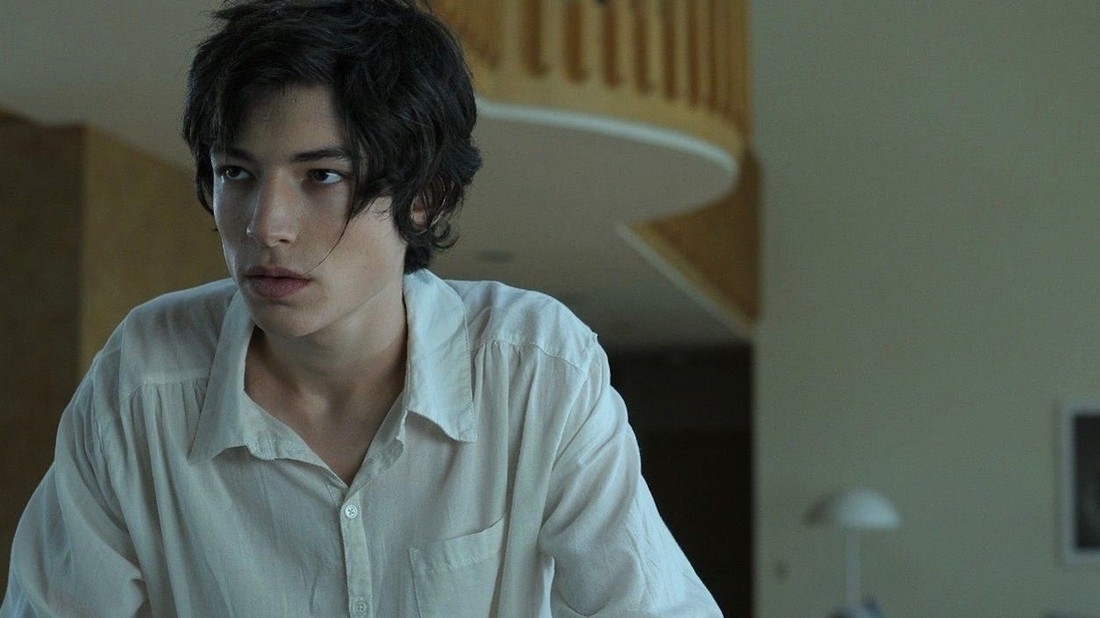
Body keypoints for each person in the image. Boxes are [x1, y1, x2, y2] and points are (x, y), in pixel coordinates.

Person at [1, 0, 721, 615]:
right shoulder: (143, 380)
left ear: (424, 197)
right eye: (236, 173)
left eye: (322, 175)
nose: (265, 225)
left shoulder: (532, 368)